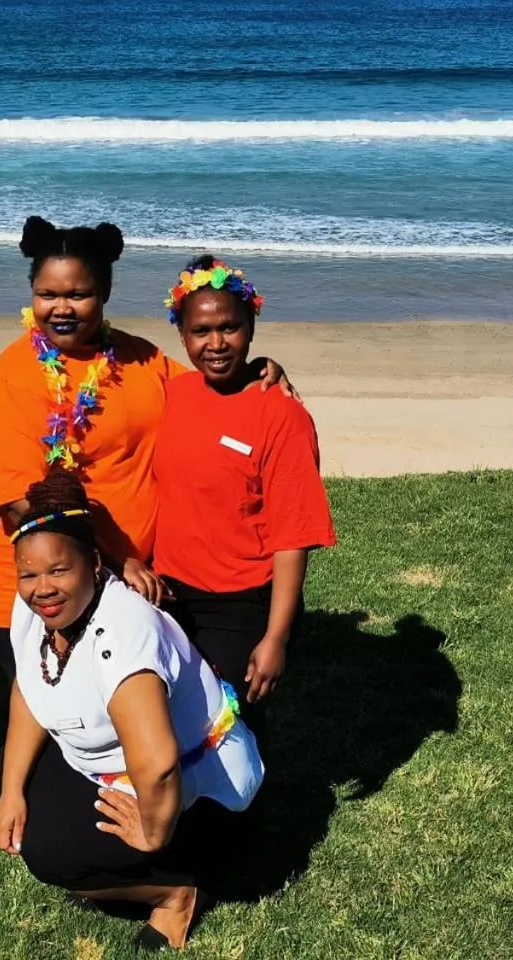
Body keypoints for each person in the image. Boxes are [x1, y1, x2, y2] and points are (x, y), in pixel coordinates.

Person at [0, 216, 290, 677]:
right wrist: (117, 562)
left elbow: (207, 390)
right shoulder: (9, 382)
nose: (61, 308)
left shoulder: (140, 358)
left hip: (131, 583)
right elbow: (25, 507)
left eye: (78, 294)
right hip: (43, 585)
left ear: (105, 292)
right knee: (68, 728)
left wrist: (254, 367)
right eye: (47, 295)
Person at [0, 470, 264, 950]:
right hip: (116, 768)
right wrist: (12, 790)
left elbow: (157, 766)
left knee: (49, 855)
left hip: (192, 786)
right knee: (6, 773)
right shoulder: (35, 608)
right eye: (29, 574)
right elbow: (30, 685)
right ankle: (124, 860)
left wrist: (154, 831)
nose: (41, 588)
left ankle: (177, 890)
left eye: (59, 571)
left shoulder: (121, 633)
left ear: (94, 564)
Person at [154, 256, 336, 703]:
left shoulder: (281, 413)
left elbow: (293, 534)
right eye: (200, 331)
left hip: (240, 602)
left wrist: (276, 637)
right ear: (182, 335)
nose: (216, 343)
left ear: (251, 326)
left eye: (230, 328)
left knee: (229, 723)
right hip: (168, 591)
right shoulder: (171, 393)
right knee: (170, 714)